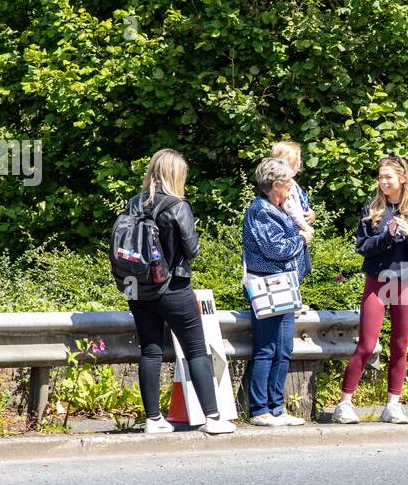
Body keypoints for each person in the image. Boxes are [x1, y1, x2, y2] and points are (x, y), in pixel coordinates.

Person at [126, 149, 232, 435]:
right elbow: (192, 249)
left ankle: (153, 419)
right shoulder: (177, 205)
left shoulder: (133, 204)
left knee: (150, 350)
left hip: (138, 288)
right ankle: (212, 418)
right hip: (173, 288)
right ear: (176, 174)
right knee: (196, 350)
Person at [331, 156, 408, 426]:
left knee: (400, 345)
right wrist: (388, 234)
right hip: (377, 281)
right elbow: (363, 247)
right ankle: (344, 404)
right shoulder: (372, 208)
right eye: (380, 177)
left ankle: (393, 405)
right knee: (366, 344)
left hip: (406, 281)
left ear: (402, 178)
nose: (383, 182)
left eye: (388, 177)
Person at [242, 157, 313, 427]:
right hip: (267, 285)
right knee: (266, 348)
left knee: (284, 348)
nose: (290, 190)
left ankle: (277, 407)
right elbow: (276, 249)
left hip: (285, 286)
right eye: (287, 185)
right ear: (274, 185)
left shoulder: (280, 208)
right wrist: (302, 238)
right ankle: (260, 409)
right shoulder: (261, 210)